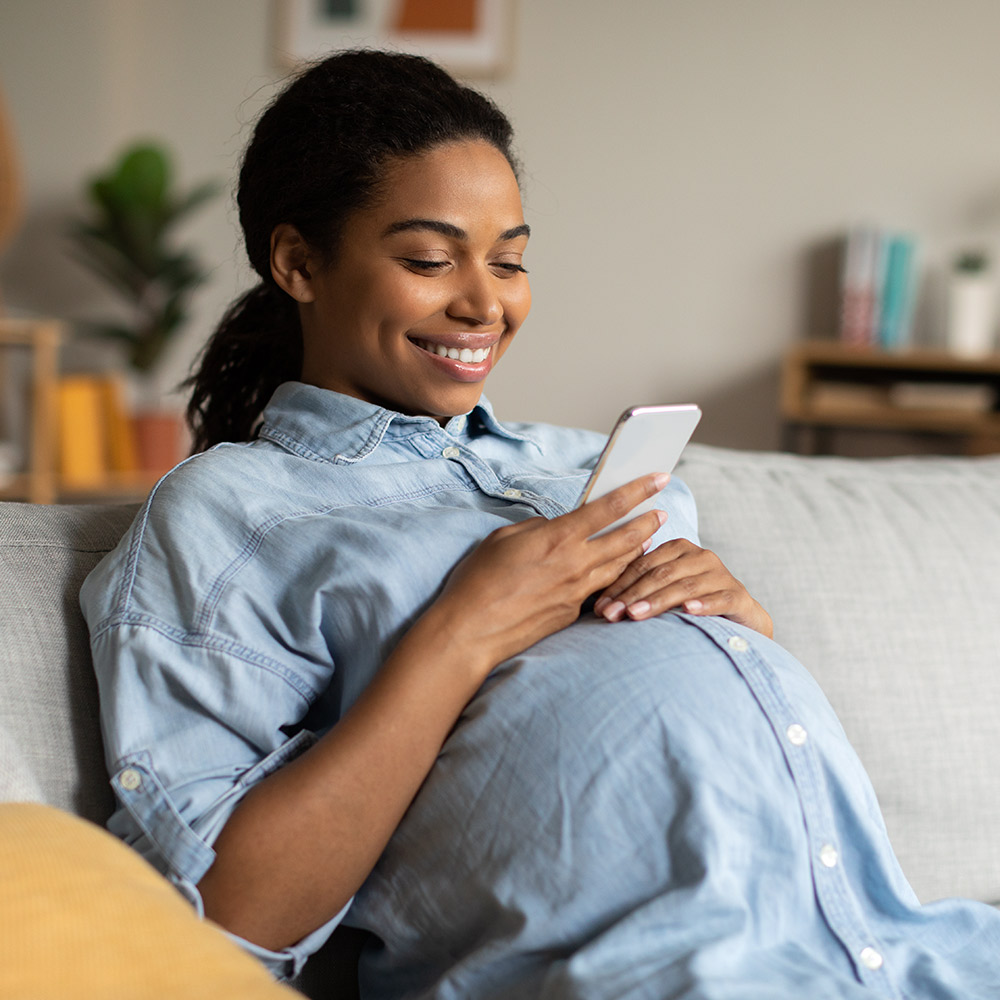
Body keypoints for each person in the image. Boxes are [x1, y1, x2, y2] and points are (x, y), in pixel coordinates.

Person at [81, 49, 1000, 999]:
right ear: (299, 262)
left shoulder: (580, 467)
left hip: (915, 953)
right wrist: (460, 630)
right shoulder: (230, 515)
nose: (486, 302)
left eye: (510, 258)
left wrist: (737, 629)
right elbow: (222, 920)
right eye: (430, 260)